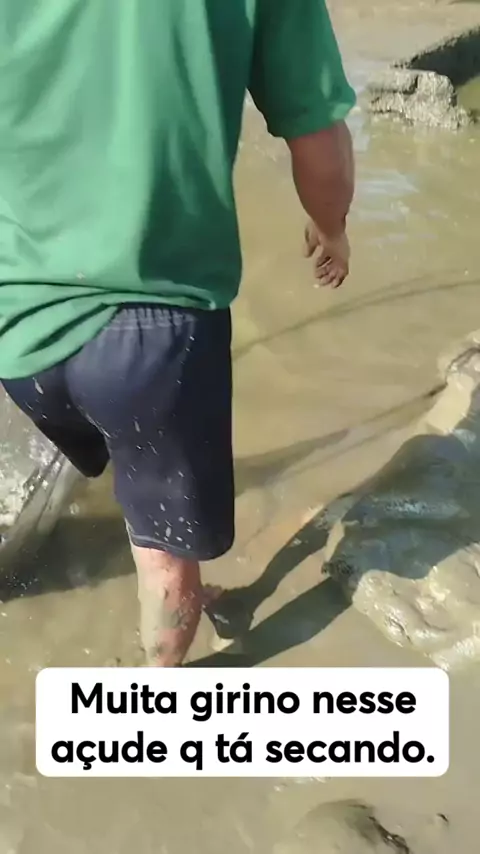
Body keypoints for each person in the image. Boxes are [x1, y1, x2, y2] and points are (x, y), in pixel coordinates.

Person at [0, 0, 356, 666]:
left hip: (16, 327)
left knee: (113, 447)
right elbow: (317, 132)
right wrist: (331, 228)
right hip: (153, 335)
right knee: (163, 552)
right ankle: (157, 694)